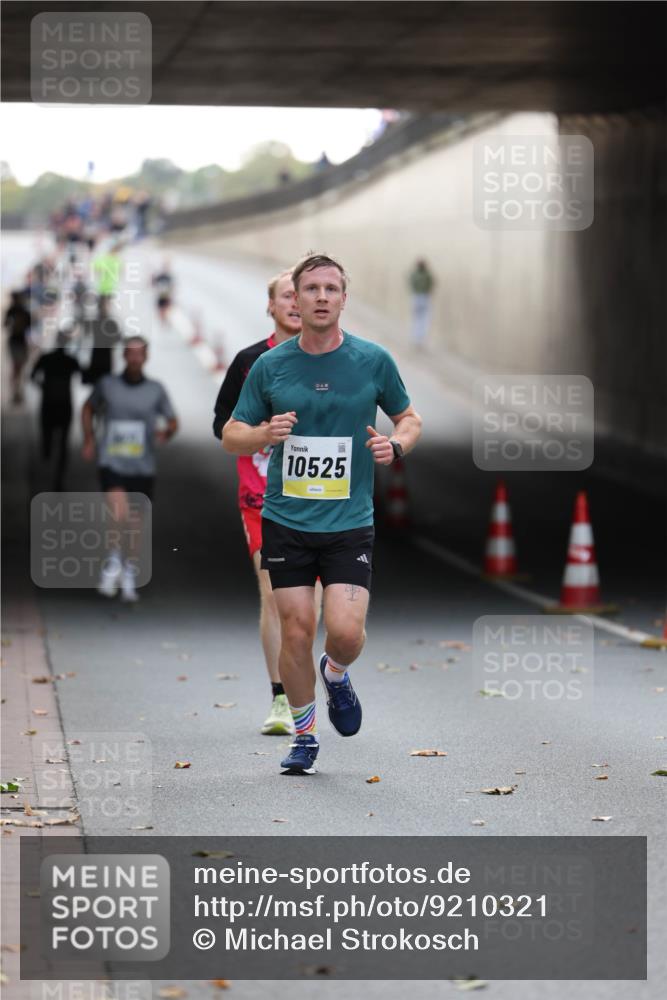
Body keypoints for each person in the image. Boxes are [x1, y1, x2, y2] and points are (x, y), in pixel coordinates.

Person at [223, 253, 422, 774]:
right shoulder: (270, 366)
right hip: (286, 520)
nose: (320, 297)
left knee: (346, 630)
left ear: (343, 298)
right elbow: (230, 434)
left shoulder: (373, 360)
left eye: (330, 289)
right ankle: (305, 736)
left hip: (349, 522)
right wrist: (264, 433)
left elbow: (409, 418)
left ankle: (334, 673)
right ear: (297, 297)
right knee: (295, 628)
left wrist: (396, 447)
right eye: (310, 289)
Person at [213, 270, 314, 736]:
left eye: (302, 294)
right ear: (271, 306)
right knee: (274, 596)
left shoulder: (335, 359)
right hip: (262, 497)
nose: (296, 302)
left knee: (316, 608)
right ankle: (280, 699)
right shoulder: (249, 362)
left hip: (322, 499)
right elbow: (224, 430)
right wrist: (263, 433)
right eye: (286, 296)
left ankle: (322, 677)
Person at [81, 336, 178, 602]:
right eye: (130, 354)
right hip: (111, 462)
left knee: (135, 524)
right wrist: (89, 438)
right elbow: (87, 408)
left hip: (142, 466)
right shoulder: (107, 385)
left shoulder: (156, 390)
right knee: (118, 511)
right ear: (124, 356)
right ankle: (113, 561)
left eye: (140, 354)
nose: (135, 359)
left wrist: (166, 433)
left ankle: (129, 571)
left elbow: (172, 421)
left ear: (146, 357)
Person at [30, 329, 81, 490]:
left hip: (48, 404)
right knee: (63, 443)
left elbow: (32, 376)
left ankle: (47, 474)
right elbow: (84, 376)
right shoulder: (70, 360)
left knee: (47, 441)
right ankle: (57, 478)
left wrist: (44, 387)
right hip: (64, 405)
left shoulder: (47, 358)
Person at [4, 290, 32, 404]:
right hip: (16, 341)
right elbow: (6, 325)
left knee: (18, 367)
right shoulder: (13, 311)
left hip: (20, 341)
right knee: (17, 367)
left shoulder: (22, 311)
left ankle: (17, 390)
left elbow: (28, 326)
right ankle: (16, 390)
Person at [408, 259, 435, 348]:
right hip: (424, 297)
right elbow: (431, 285)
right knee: (423, 319)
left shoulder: (415, 274)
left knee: (416, 318)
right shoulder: (427, 275)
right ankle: (420, 338)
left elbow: (411, 284)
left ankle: (416, 338)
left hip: (416, 297)